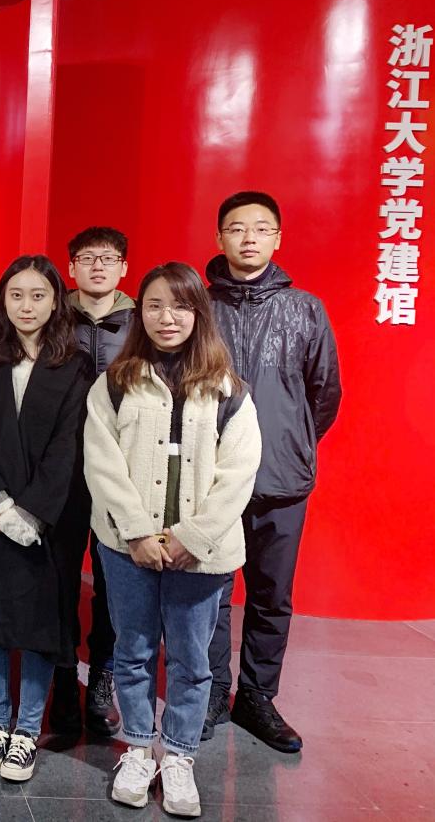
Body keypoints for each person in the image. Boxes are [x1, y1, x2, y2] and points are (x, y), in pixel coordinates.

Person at [85, 262, 262, 817]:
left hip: (202, 555)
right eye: (155, 305)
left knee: (191, 660)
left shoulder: (229, 389)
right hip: (127, 548)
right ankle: (139, 749)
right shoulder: (116, 382)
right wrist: (138, 532)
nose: (167, 317)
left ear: (198, 314)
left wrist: (193, 537)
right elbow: (101, 463)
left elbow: (239, 473)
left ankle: (179, 755)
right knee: (132, 652)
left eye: (181, 306)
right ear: (139, 312)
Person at [203, 192, 341, 752]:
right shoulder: (197, 306)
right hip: (208, 478)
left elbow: (324, 393)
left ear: (278, 239)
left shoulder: (305, 309)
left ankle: (257, 696)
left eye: (261, 228)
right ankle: (212, 691)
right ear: (219, 238)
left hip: (281, 479)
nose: (249, 238)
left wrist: (294, 443)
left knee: (271, 594)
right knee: (208, 592)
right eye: (237, 228)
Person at [0, 255, 90, 784]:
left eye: (38, 295)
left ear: (56, 301)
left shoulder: (75, 365)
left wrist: (31, 512)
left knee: (41, 623)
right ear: (2, 300)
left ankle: (27, 730)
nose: (26, 306)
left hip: (47, 519)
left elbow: (69, 446)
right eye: (16, 295)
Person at [54, 226, 135, 736]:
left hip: (120, 473)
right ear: (72, 268)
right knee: (60, 580)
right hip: (62, 470)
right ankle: (64, 676)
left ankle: (102, 678)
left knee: (113, 585)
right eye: (87, 258)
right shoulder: (52, 315)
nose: (98, 266)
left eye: (108, 258)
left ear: (124, 267)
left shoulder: (141, 322)